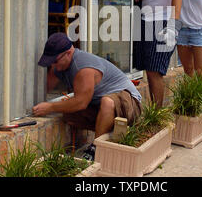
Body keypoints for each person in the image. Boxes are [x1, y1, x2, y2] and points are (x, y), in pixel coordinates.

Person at [32, 32, 142, 161]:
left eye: (55, 61)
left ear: (68, 53)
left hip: (130, 104)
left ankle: (97, 148)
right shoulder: (60, 65)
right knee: (70, 116)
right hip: (104, 106)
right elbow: (47, 85)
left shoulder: (83, 68)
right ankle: (112, 135)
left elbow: (81, 103)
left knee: (107, 102)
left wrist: (50, 107)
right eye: (51, 62)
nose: (54, 66)